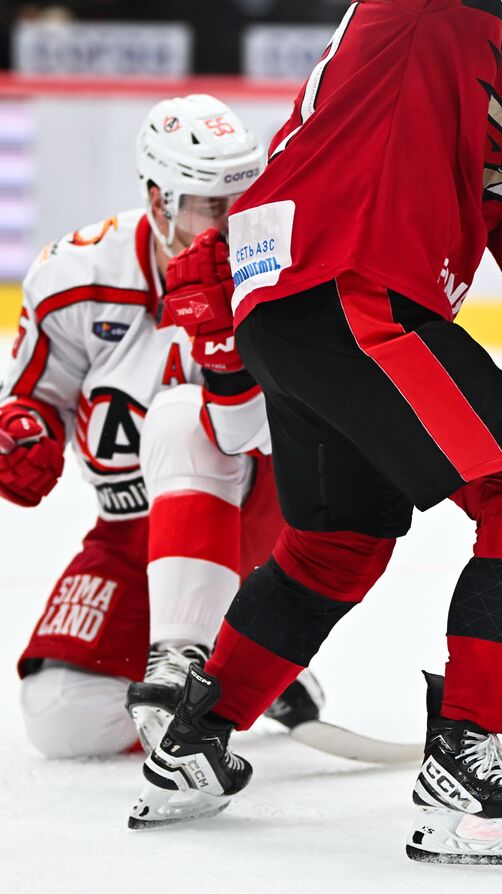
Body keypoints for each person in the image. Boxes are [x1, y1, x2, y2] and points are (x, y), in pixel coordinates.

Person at [127, 0, 502, 868]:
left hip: (301, 308)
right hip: (350, 287)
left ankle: (192, 740)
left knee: (337, 541)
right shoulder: (434, 0)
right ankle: (462, 772)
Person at [0, 94, 313, 758]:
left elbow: (292, 427)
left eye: (244, 198)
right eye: (212, 204)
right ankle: (232, 667)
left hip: (249, 513)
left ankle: (220, 643)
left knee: (182, 421)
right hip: (129, 527)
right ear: (157, 197)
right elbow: (36, 394)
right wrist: (25, 430)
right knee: (61, 717)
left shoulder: (282, 271)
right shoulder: (76, 275)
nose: (234, 223)